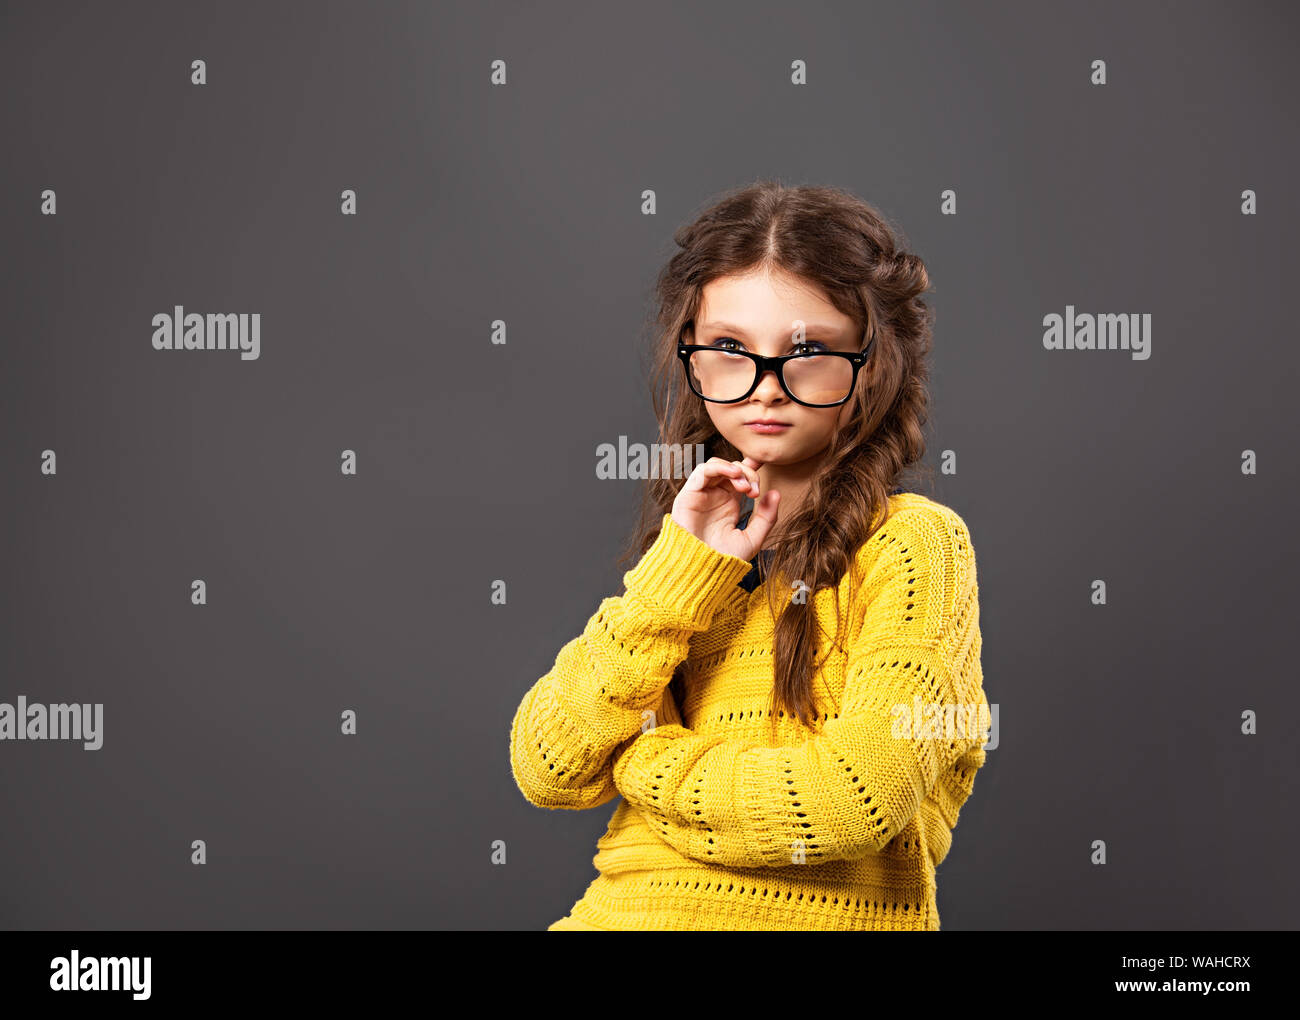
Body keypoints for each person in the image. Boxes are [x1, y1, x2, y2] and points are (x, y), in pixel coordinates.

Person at [508, 180, 989, 931]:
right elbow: (549, 765)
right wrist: (678, 574)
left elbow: (856, 802)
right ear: (694, 356)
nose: (766, 390)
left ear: (875, 362)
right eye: (731, 349)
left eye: (807, 351)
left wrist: (644, 763)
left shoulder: (914, 546)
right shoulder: (695, 550)